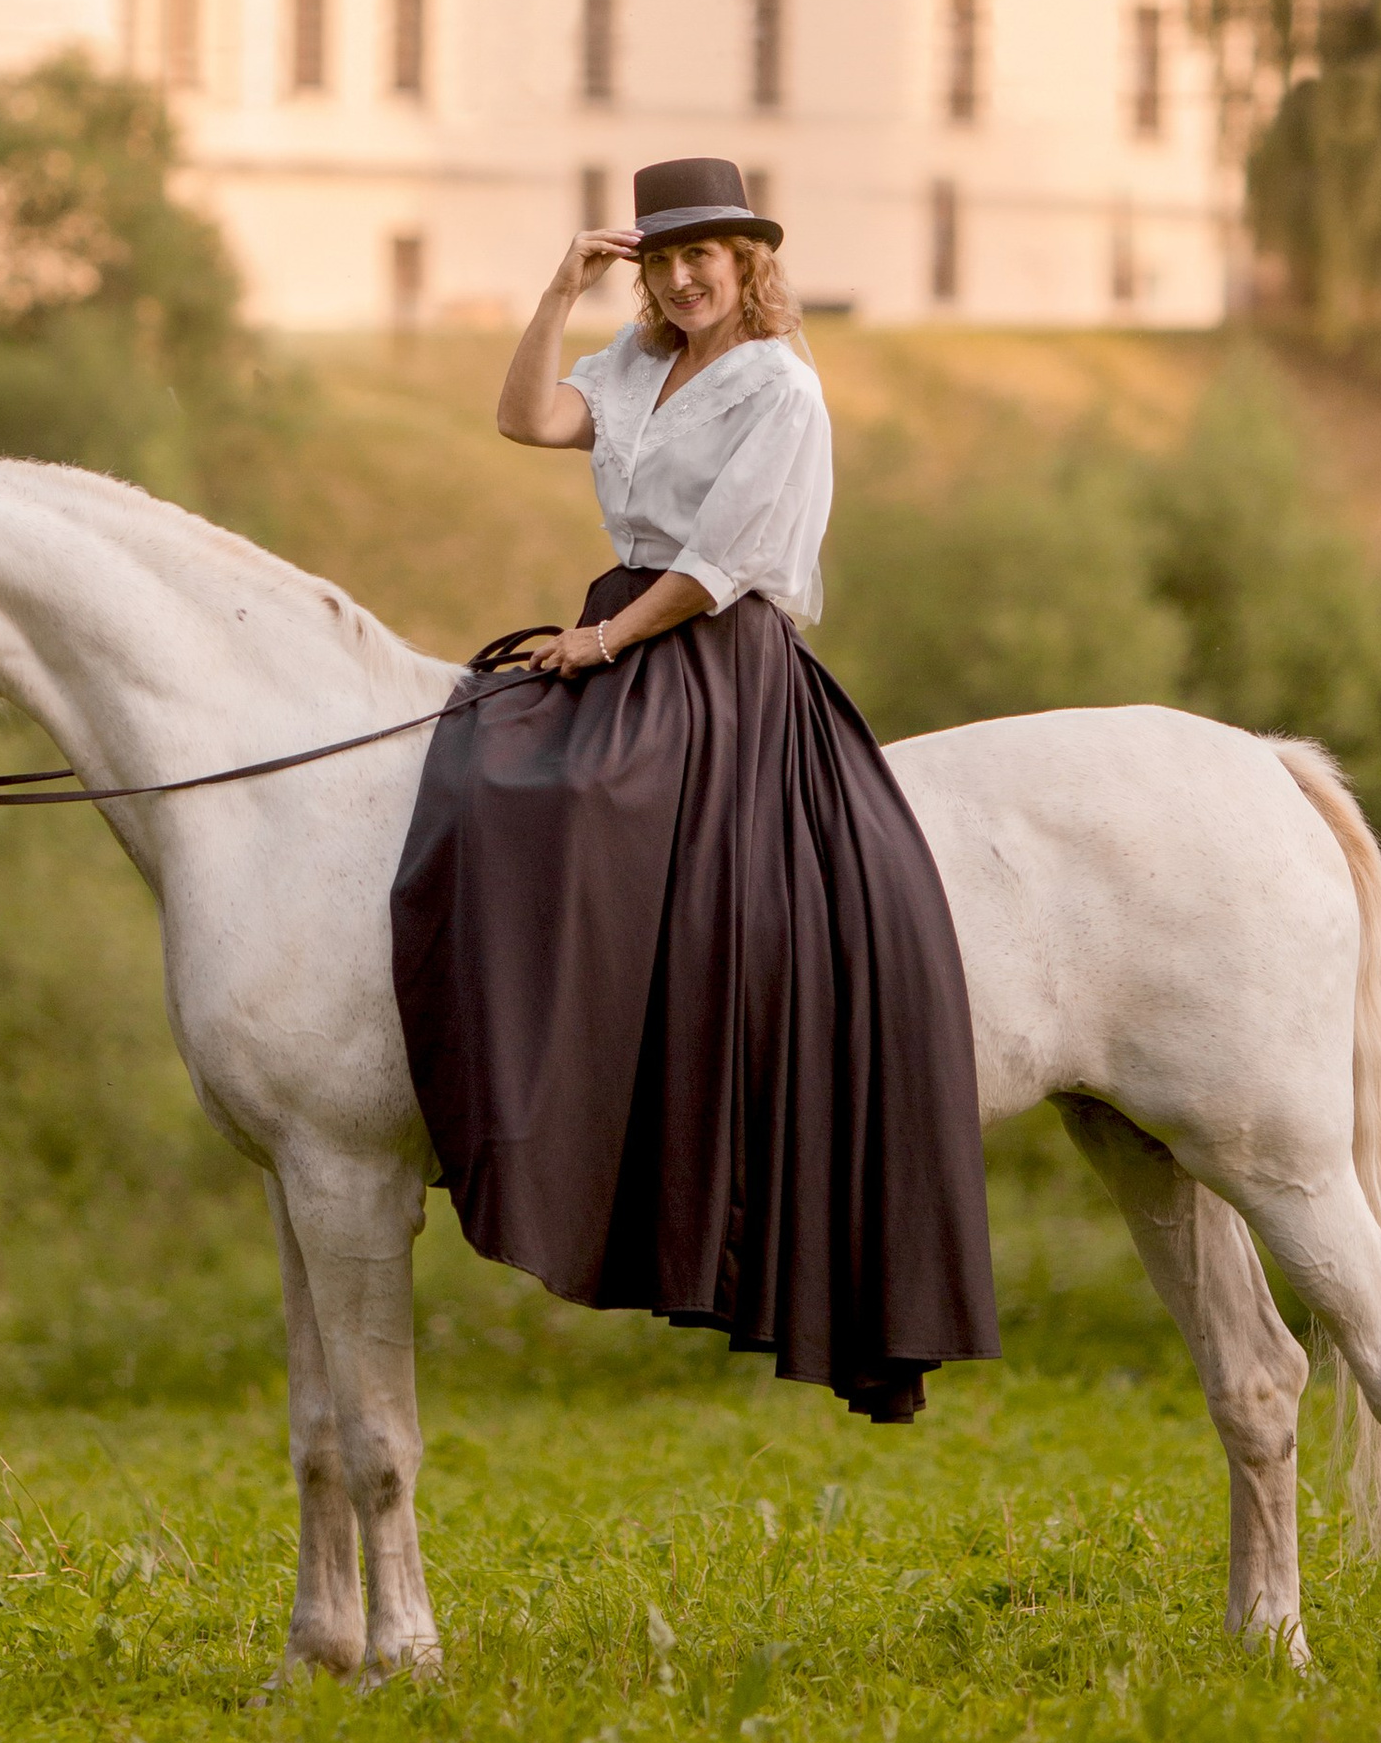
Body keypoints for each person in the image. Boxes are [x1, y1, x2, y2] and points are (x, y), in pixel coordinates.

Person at [390, 158, 998, 1421]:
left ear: (747, 264)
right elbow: (524, 421)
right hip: (621, 621)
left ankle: (599, 1073)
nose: (679, 275)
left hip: (711, 649)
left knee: (573, 806)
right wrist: (556, 294)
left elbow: (725, 563)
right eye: (660, 259)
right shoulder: (629, 363)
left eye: (702, 256)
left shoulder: (781, 388)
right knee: (484, 766)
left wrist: (603, 645)